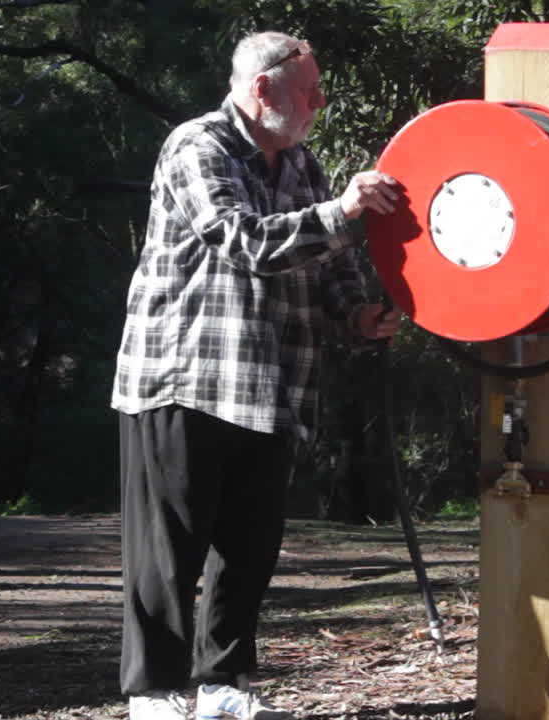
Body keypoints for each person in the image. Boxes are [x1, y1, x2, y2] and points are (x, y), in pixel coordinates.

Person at [111, 30, 403, 720]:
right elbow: (241, 241)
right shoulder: (197, 144)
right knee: (168, 550)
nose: (320, 103)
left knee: (250, 549)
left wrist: (359, 314)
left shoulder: (302, 164)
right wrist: (343, 213)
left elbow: (332, 265)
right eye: (310, 91)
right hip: (184, 377)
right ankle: (152, 695)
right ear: (263, 89)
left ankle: (224, 689)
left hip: (273, 385)